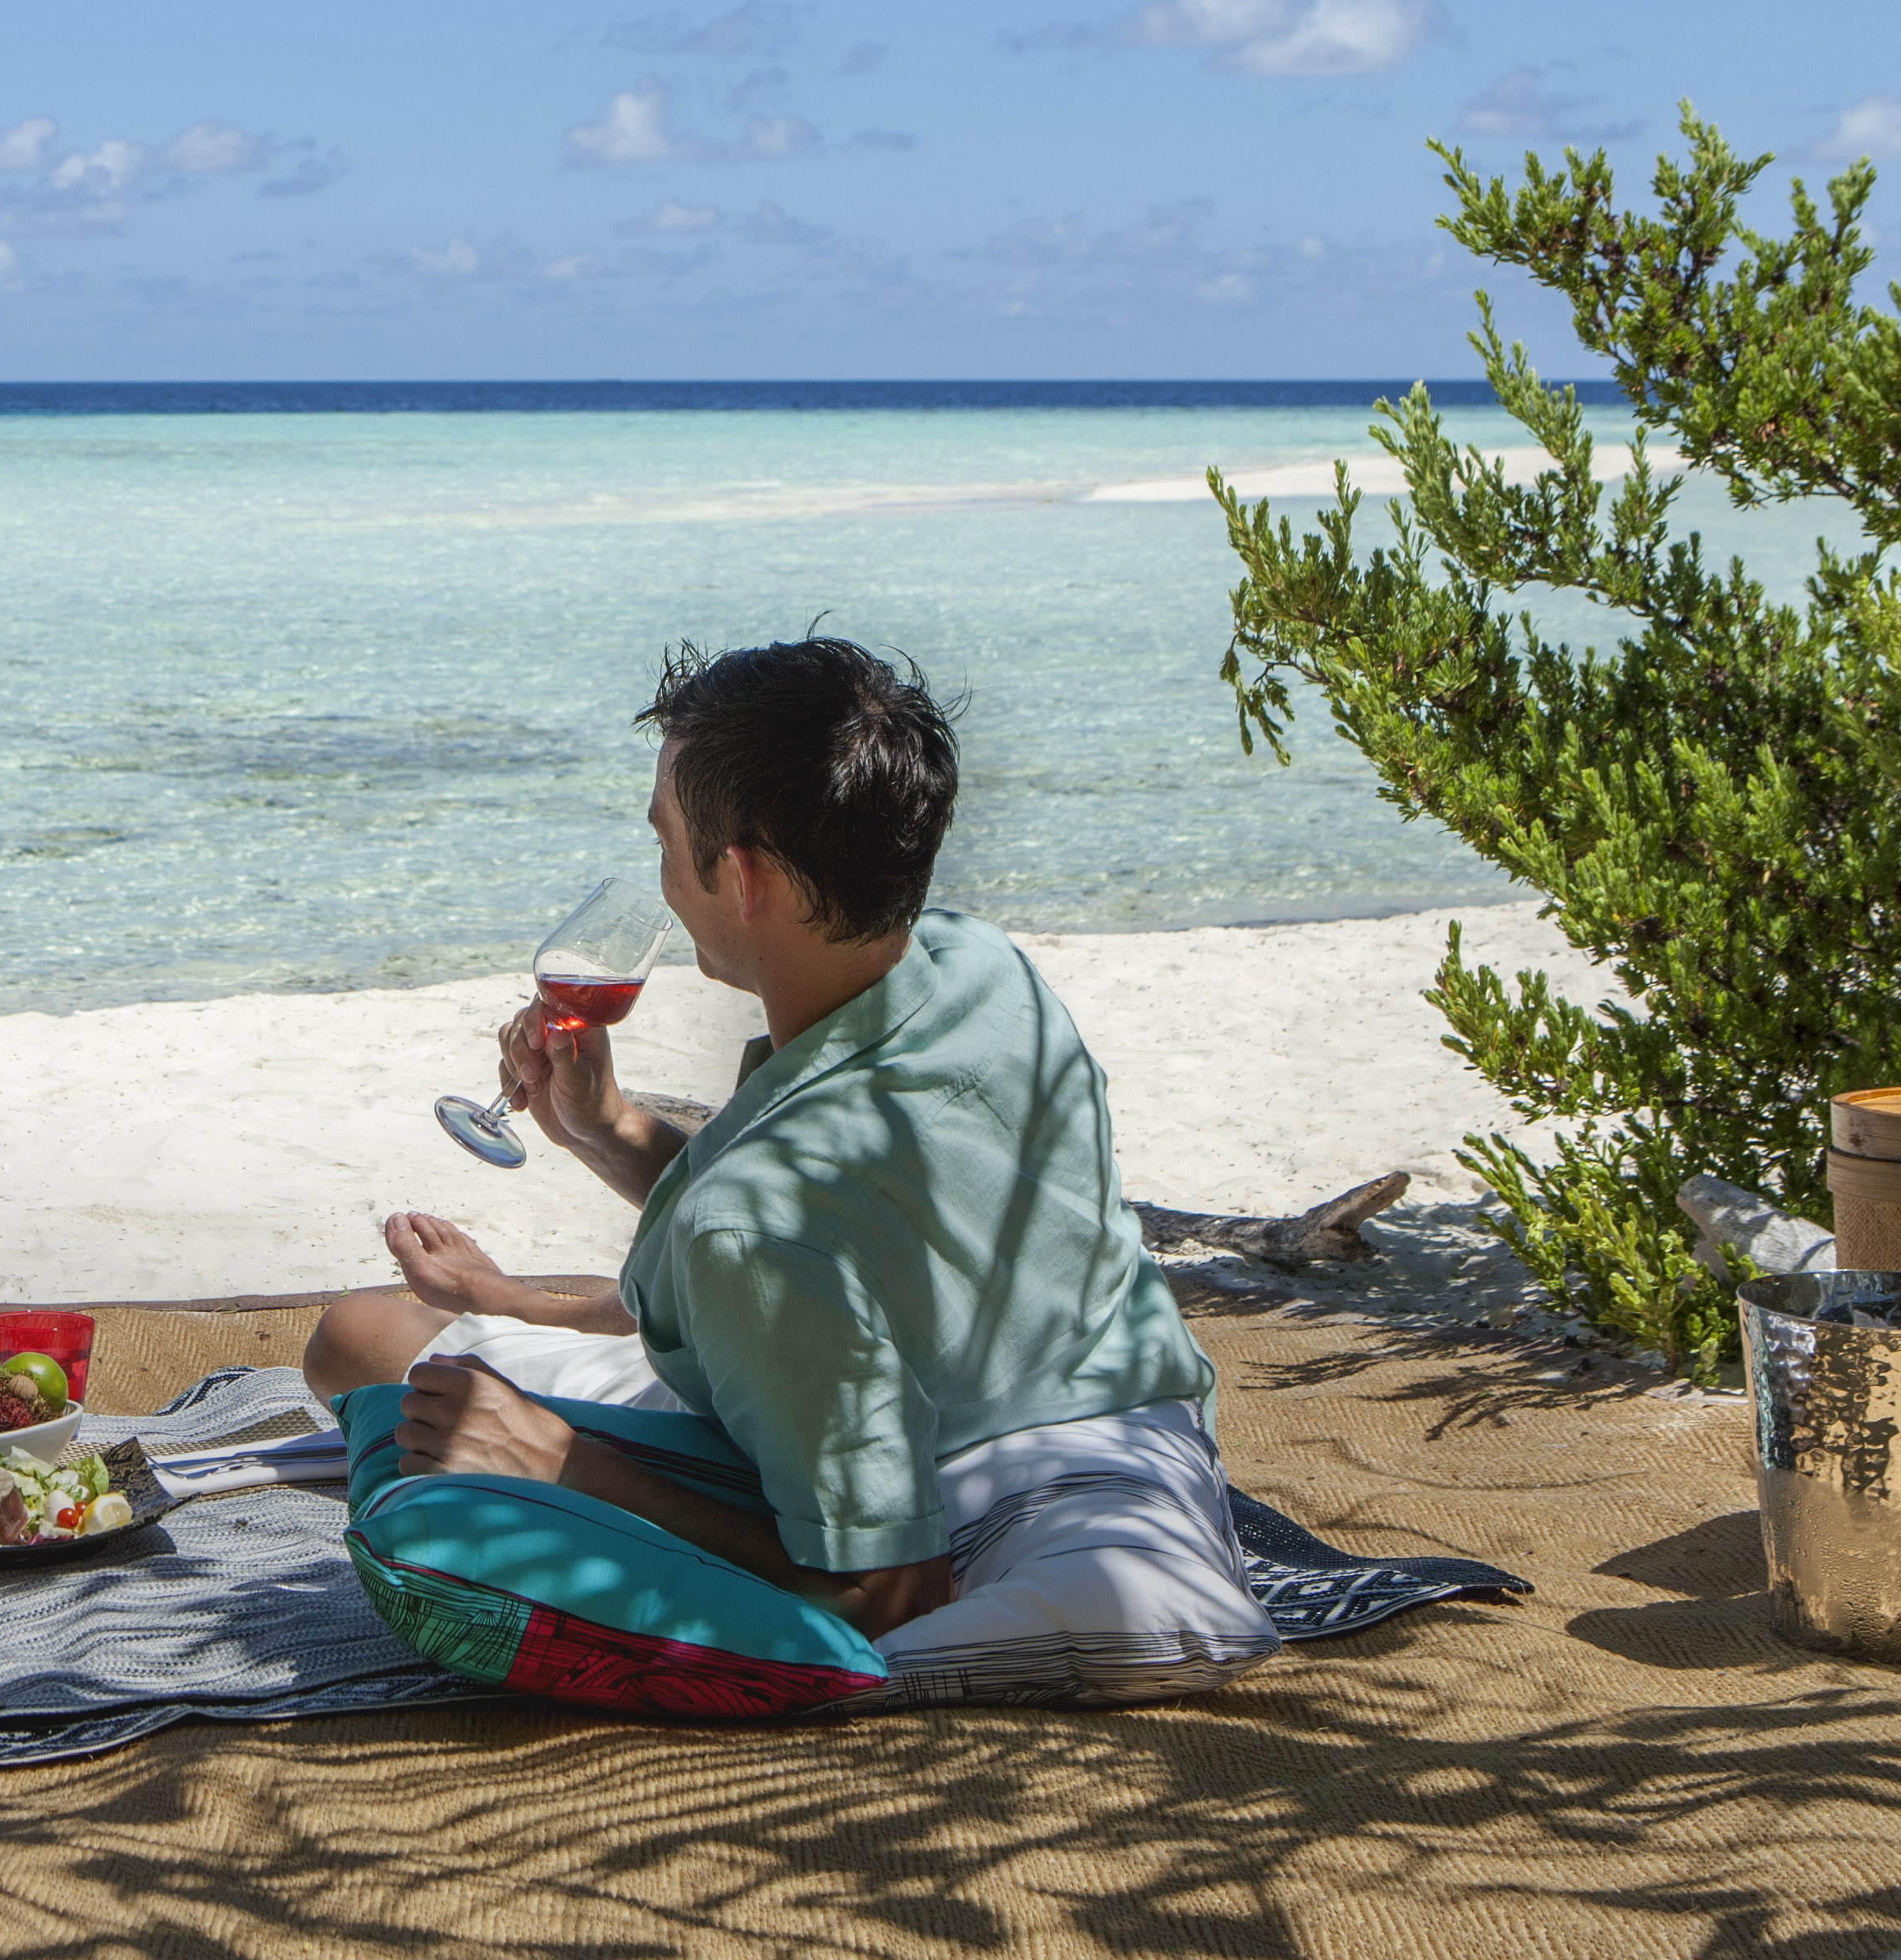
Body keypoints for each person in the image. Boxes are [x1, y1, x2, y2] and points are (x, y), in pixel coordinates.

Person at [307, 634, 1277, 1704]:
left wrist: (564, 1465)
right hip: (1067, 1390)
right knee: (384, 1338)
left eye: (667, 846)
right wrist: (606, 1126)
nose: (662, 886)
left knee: (370, 1354)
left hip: (938, 1483)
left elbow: (888, 1592)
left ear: (742, 877)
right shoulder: (980, 968)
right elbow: (844, 1226)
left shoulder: (749, 1230)